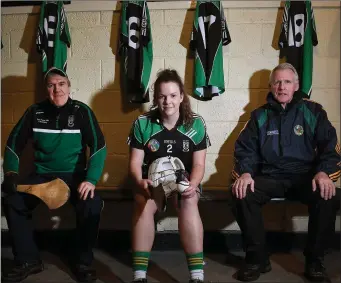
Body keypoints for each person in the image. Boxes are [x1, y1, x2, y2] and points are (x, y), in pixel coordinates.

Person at [229, 63, 340, 282]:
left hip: (305, 176)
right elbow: (245, 151)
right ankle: (256, 258)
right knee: (240, 192)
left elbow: (331, 148)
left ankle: (315, 260)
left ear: (296, 85)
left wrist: (324, 173)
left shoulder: (314, 112)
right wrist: (245, 173)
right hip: (270, 176)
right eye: (277, 82)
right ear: (271, 86)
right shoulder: (258, 116)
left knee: (328, 196)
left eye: (287, 82)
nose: (282, 87)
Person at [2, 67, 107, 283]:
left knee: (92, 204)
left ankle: (82, 262)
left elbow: (99, 146)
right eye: (51, 85)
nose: (56, 89)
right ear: (46, 89)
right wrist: (11, 172)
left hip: (75, 176)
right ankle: (28, 260)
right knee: (13, 201)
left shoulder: (81, 111)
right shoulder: (34, 112)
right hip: (41, 176)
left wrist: (91, 179)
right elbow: (13, 144)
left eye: (61, 84)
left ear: (69, 87)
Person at [127, 69, 210, 283]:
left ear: (181, 96)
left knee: (189, 200)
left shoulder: (196, 124)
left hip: (184, 180)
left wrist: (193, 183)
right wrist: (140, 181)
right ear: (156, 98)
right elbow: (135, 163)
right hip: (151, 181)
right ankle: (139, 275)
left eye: (173, 95)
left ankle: (197, 275)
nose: (168, 101)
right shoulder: (142, 123)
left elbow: (199, 164)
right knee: (142, 202)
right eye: (162, 96)